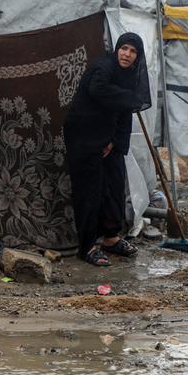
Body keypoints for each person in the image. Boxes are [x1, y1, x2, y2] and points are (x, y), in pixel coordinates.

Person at [64, 33, 151, 267]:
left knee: (113, 187)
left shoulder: (129, 76)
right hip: (84, 137)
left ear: (137, 57)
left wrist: (113, 141)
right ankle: (87, 246)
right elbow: (97, 91)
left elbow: (124, 114)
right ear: (117, 50)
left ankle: (111, 238)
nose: (127, 54)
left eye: (133, 51)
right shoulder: (103, 68)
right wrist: (130, 98)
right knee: (90, 192)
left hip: (107, 139)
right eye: (124, 48)